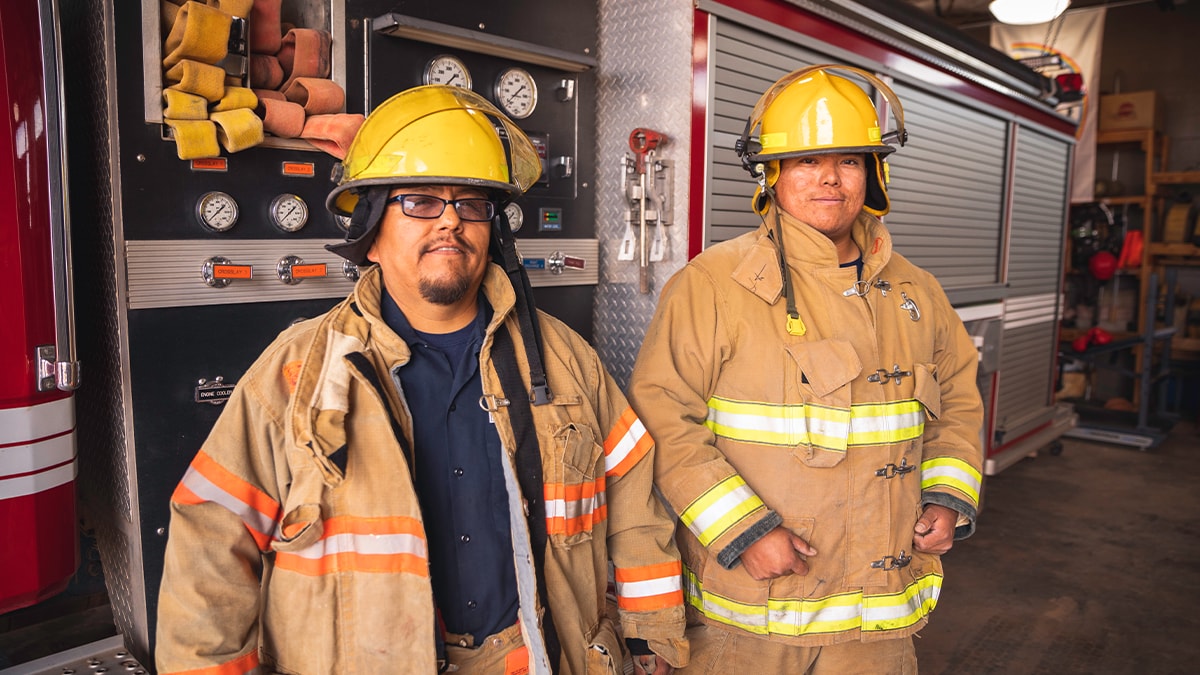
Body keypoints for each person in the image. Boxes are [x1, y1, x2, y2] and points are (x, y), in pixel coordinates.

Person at [156, 85, 687, 675]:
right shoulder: (296, 371)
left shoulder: (565, 361)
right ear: (371, 231)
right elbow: (211, 541)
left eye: (471, 203)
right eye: (420, 202)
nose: (452, 222)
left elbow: (636, 502)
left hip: (533, 657)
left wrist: (650, 636)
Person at [627, 65, 984, 673]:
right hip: (752, 614)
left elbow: (957, 403)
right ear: (773, 174)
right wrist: (743, 530)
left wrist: (947, 498)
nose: (828, 178)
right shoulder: (712, 286)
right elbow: (663, 419)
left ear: (873, 172)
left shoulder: (918, 292)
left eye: (848, 160)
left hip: (879, 625)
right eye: (805, 161)